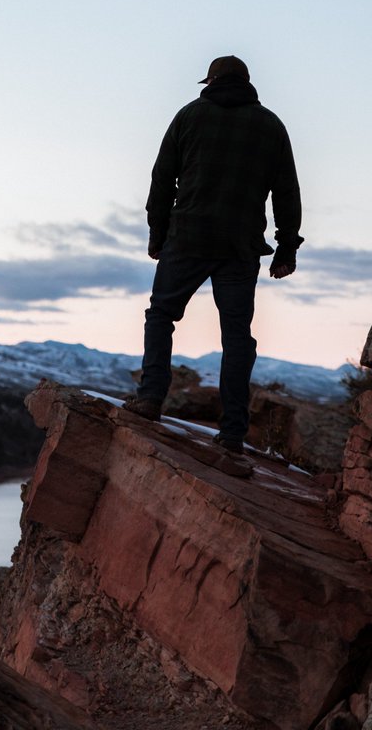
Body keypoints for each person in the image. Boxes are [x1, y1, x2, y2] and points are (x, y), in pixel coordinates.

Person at [123, 55, 303, 453]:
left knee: (161, 315)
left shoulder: (189, 116)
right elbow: (287, 192)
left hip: (187, 237)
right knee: (236, 337)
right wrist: (286, 248)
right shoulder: (271, 126)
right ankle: (234, 432)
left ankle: (151, 398)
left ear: (211, 81)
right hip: (240, 247)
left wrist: (158, 233)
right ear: (247, 83)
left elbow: (161, 179)